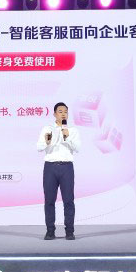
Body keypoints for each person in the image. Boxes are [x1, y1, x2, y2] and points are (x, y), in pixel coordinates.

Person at [36, 102, 81, 240]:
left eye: (65, 112)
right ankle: (50, 231)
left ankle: (69, 231)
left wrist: (67, 137)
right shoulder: (47, 128)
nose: (63, 114)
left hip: (67, 167)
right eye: (60, 111)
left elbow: (77, 148)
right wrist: (47, 142)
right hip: (50, 167)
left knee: (68, 200)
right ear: (54, 114)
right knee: (49, 200)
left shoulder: (72, 130)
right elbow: (39, 147)